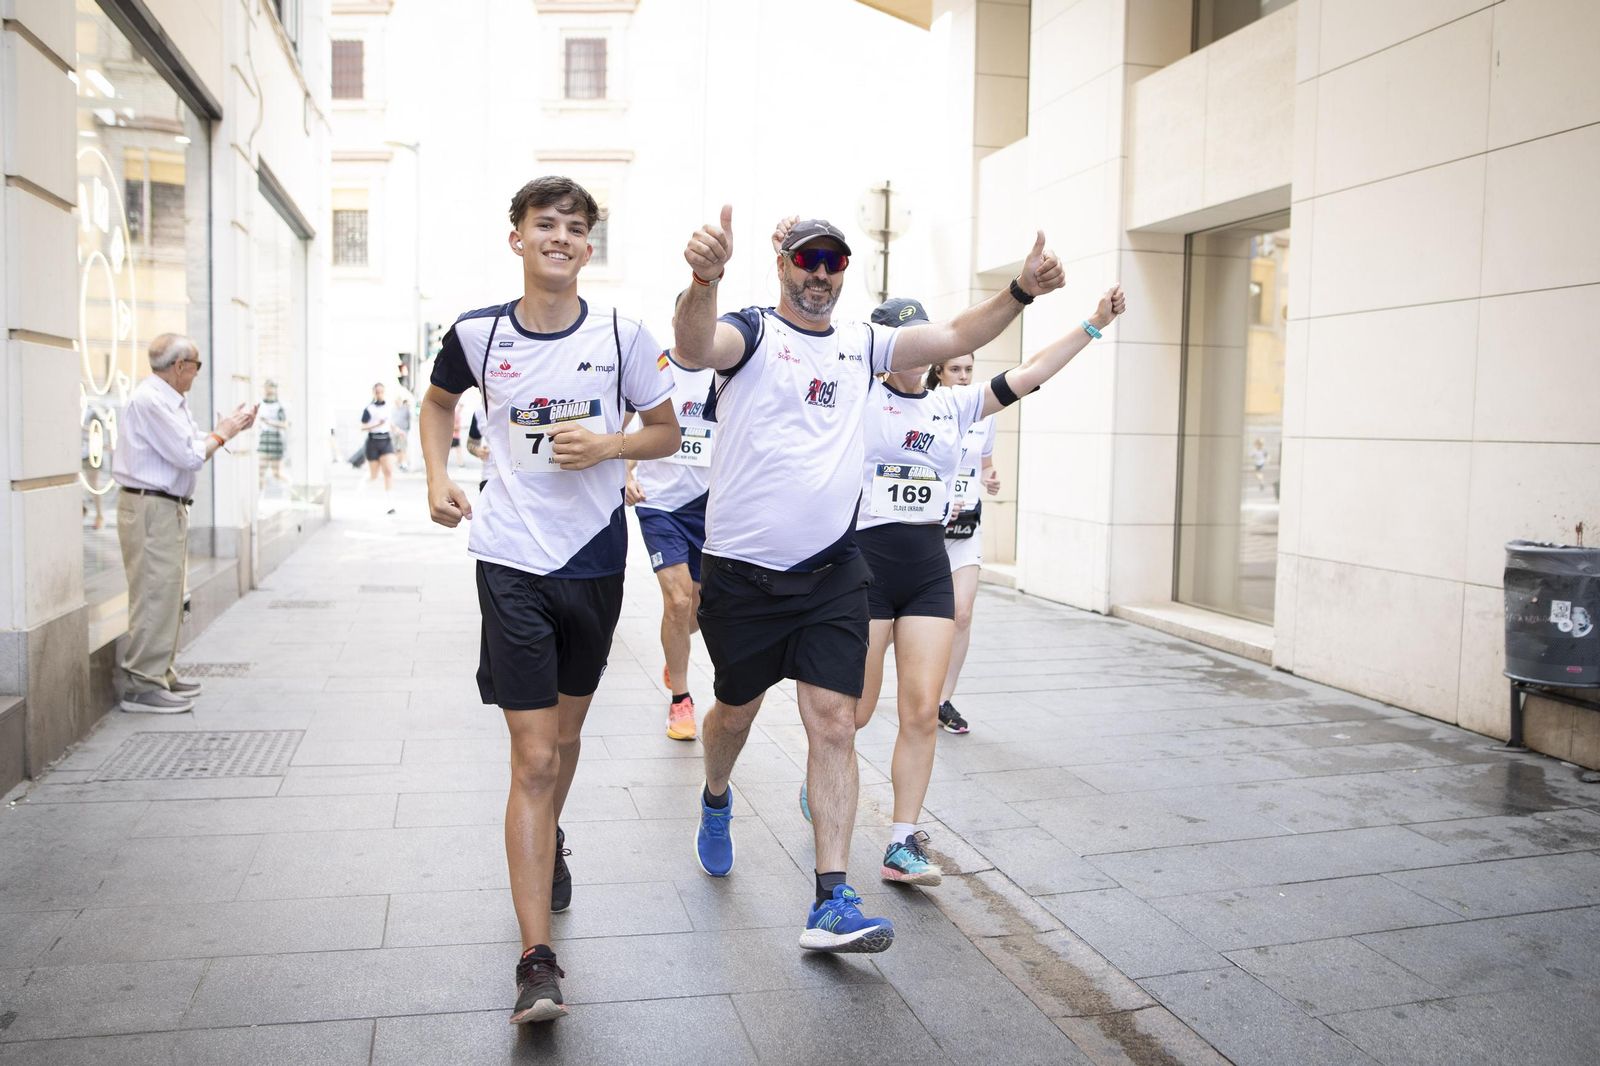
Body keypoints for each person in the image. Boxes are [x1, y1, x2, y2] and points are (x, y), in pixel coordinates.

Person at [671, 205, 1064, 955]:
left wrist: (1020, 290)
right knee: (735, 714)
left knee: (832, 722)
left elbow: (956, 335)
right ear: (782, 263)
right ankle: (716, 797)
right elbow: (694, 346)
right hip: (743, 577)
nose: (820, 272)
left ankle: (831, 899)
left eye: (834, 261)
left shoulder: (864, 343)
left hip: (832, 571)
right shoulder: (752, 332)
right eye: (807, 259)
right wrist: (704, 280)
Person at [419, 176, 679, 1025]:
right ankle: (537, 961)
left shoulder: (623, 335)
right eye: (545, 224)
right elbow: (437, 404)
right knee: (532, 758)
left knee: (564, 742)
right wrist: (436, 476)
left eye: (574, 227)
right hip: (509, 559)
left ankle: (549, 837)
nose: (559, 237)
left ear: (587, 247)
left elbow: (667, 431)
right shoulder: (478, 333)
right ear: (518, 239)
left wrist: (607, 445)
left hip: (594, 560)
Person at [812, 289, 1127, 890]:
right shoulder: (859, 399)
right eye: (902, 342)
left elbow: (1030, 373)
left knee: (921, 711)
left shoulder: (954, 405)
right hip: (866, 571)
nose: (914, 352)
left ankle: (901, 841)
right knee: (854, 714)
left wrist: (1093, 324)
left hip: (928, 571)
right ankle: (823, 780)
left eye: (922, 340)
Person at [111, 333, 256, 713]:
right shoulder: (151, 400)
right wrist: (224, 433)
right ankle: (142, 685)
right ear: (180, 366)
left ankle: (160, 672)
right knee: (154, 594)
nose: (196, 373)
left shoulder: (169, 400)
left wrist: (226, 430)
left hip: (163, 507)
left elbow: (190, 443)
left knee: (169, 593)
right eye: (195, 365)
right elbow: (190, 455)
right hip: (150, 508)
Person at [623, 349, 715, 741]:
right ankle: (681, 698)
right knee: (678, 600)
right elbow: (622, 429)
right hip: (659, 503)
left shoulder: (725, 368)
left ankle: (674, 649)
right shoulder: (654, 367)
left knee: (700, 607)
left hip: (709, 504)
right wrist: (625, 473)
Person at [931, 353, 1000, 734]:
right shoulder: (925, 406)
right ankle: (866, 667)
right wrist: (939, 498)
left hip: (966, 529)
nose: (963, 376)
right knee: (893, 622)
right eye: (955, 369)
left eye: (968, 370)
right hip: (926, 529)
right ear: (939, 371)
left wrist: (990, 478)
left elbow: (985, 464)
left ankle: (942, 700)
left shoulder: (984, 413)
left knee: (962, 613)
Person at [361, 383, 398, 512]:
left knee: (388, 472)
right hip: (373, 442)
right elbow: (362, 427)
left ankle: (390, 504)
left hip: (386, 440)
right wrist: (376, 424)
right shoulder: (369, 409)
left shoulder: (388, 407)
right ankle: (363, 485)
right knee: (374, 475)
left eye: (382, 392)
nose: (380, 394)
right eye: (377, 392)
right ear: (374, 393)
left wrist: (397, 430)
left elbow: (389, 423)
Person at [257, 379, 289, 487]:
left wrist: (269, 422)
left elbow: (285, 424)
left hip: (275, 440)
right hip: (264, 439)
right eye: (266, 387)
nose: (268, 389)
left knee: (277, 473)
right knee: (260, 472)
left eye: (270, 387)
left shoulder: (280, 406)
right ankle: (259, 494)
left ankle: (291, 487)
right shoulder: (260, 404)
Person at [393, 395, 414, 471]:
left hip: (403, 432)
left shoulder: (405, 409)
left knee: (403, 447)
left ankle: (404, 463)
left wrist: (408, 406)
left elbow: (411, 416)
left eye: (399, 401)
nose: (397, 402)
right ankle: (399, 462)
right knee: (396, 448)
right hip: (395, 432)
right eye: (396, 401)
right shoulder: (393, 410)